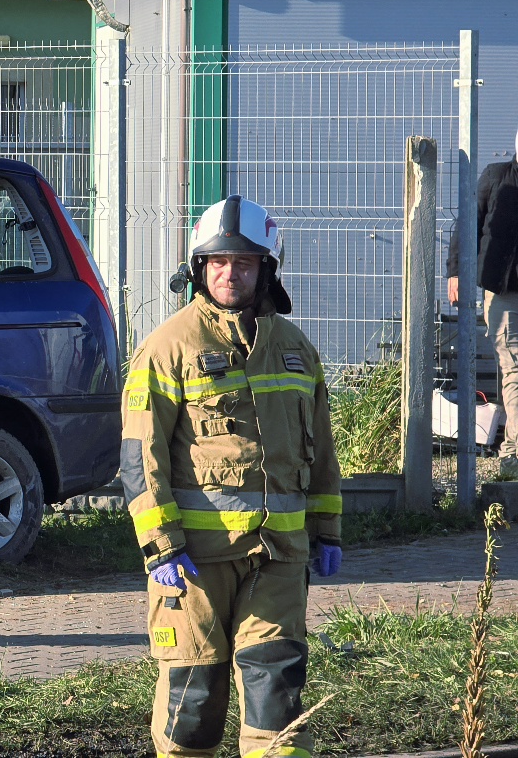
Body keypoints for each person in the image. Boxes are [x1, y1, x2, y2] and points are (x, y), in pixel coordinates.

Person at [121, 195, 343, 758]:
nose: (229, 273)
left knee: (278, 696)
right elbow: (138, 455)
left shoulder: (296, 351)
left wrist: (328, 532)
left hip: (279, 556)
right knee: (193, 705)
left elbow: (321, 452)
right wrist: (160, 547)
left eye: (244, 262)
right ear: (198, 268)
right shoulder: (169, 347)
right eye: (217, 261)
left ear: (266, 268)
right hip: (196, 561)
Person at [446, 129, 518, 481]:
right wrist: (456, 271)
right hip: (505, 294)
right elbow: (467, 223)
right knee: (515, 369)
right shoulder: (496, 178)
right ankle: (514, 454)